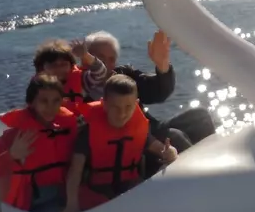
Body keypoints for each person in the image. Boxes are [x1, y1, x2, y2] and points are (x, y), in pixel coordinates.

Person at [59, 74, 178, 212]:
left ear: (136, 104)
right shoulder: (88, 131)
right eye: (115, 107)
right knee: (106, 210)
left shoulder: (137, 128)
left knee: (155, 202)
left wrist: (170, 152)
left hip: (128, 184)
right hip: (97, 189)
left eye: (128, 107)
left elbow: (162, 149)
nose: (122, 114)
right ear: (105, 104)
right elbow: (75, 171)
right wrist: (72, 204)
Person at [84, 29, 215, 157]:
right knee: (175, 137)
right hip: (132, 143)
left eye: (112, 59)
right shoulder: (79, 89)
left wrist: (162, 66)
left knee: (200, 117)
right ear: (85, 58)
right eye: (99, 58)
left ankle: (218, 168)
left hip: (151, 128)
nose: (106, 63)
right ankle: (202, 175)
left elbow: (157, 91)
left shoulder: (124, 75)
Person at [0, 74, 78, 212]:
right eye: (44, 101)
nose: (51, 107)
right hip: (27, 209)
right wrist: (11, 155)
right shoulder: (14, 137)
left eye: (56, 101)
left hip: (62, 198)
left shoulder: (68, 131)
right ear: (31, 103)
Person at [32, 38, 108, 116]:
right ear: (41, 68)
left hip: (78, 124)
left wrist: (85, 55)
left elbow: (100, 72)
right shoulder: (37, 87)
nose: (59, 69)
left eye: (63, 64)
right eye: (53, 65)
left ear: (71, 66)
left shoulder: (82, 81)